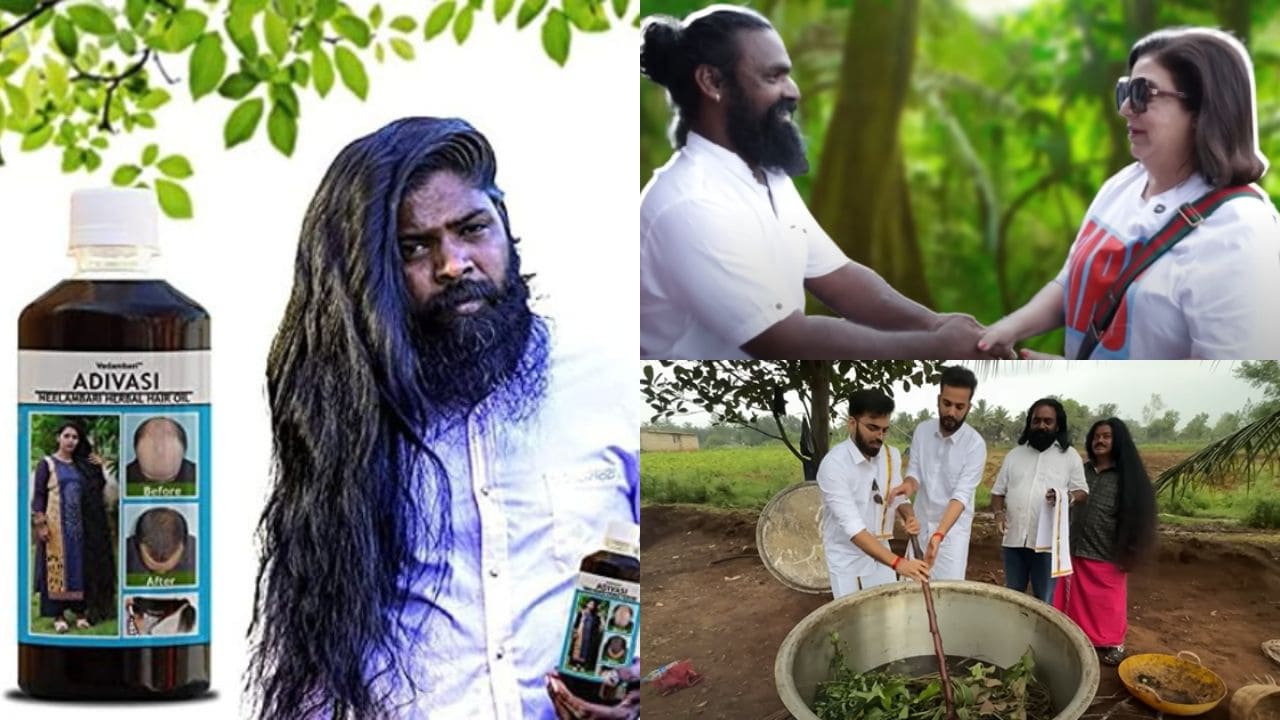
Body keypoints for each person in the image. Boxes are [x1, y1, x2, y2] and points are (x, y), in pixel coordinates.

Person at [247, 117, 638, 720]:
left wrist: (638, 688)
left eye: (472, 229)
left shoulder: (607, 382)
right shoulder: (346, 421)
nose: (453, 264)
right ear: (371, 272)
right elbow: (316, 661)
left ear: (503, 223)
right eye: (415, 248)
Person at [639, 5, 990, 360]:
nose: (793, 91)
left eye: (787, 76)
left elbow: (841, 280)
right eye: (772, 77)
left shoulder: (766, 175)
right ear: (712, 83)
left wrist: (936, 324)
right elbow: (782, 340)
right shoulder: (689, 204)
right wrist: (936, 347)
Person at [980, 27, 1280, 359]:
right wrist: (1007, 329)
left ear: (1202, 110)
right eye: (1124, 91)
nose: (1125, 109)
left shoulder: (1241, 232)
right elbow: (1072, 283)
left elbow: (1233, 389)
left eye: (1143, 93)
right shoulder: (1124, 184)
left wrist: (1073, 381)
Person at [1053, 418, 1157, 667]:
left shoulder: (1127, 477)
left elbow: (1138, 516)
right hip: (1075, 544)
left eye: (1106, 436)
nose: (1099, 441)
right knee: (1075, 599)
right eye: (1096, 436)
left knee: (1107, 601)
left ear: (1117, 440)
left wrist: (1130, 549)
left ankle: (1114, 642)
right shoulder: (1082, 471)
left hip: (1108, 549)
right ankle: (1077, 636)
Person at [818, 389, 930, 599]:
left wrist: (909, 516)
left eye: (885, 430)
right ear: (852, 423)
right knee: (853, 622)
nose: (879, 437)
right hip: (848, 558)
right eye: (872, 428)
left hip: (882, 552)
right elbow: (854, 529)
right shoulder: (834, 466)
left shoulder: (890, 456)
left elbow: (899, 496)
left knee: (887, 614)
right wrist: (899, 563)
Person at [887, 365, 987, 580]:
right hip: (919, 526)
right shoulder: (922, 431)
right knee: (910, 590)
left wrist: (939, 534)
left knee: (948, 596)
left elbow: (961, 496)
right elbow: (915, 474)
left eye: (959, 407)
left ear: (969, 407)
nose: (952, 412)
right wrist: (908, 485)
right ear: (938, 399)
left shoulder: (975, 445)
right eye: (947, 404)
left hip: (951, 536)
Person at [991, 399, 1088, 603]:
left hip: (1047, 544)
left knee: (1045, 600)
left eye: (1047, 421)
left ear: (1057, 425)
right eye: (1036, 421)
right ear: (1029, 423)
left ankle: (1038, 635)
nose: (1041, 426)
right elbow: (998, 492)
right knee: (1012, 596)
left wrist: (1066, 496)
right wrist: (999, 514)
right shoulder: (1015, 455)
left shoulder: (1070, 457)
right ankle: (1013, 633)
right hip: (1014, 539)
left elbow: (1082, 492)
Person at [31, 420, 116, 633]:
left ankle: (79, 612)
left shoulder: (81, 465)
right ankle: (58, 615)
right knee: (56, 570)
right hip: (55, 526)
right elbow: (39, 495)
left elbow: (96, 489)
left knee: (80, 568)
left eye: (75, 437)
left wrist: (98, 467)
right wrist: (40, 524)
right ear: (58, 438)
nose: (70, 441)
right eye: (67, 436)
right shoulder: (47, 464)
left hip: (79, 528)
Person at [125, 507, 196, 578]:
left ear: (182, 546)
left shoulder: (199, 556)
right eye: (153, 567)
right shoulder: (125, 553)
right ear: (138, 545)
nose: (161, 574)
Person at [126, 417, 196, 484]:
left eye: (170, 479)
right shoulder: (124, 475)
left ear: (183, 454)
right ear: (137, 455)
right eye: (149, 481)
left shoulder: (200, 475)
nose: (160, 489)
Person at [568, 600, 606, 673]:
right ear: (587, 604)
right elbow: (576, 623)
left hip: (589, 635)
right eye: (590, 603)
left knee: (586, 650)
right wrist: (575, 631)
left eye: (593, 604)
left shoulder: (596, 616)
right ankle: (575, 664)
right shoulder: (581, 612)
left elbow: (600, 627)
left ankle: (582, 665)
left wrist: (601, 617)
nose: (591, 605)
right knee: (577, 648)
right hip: (580, 633)